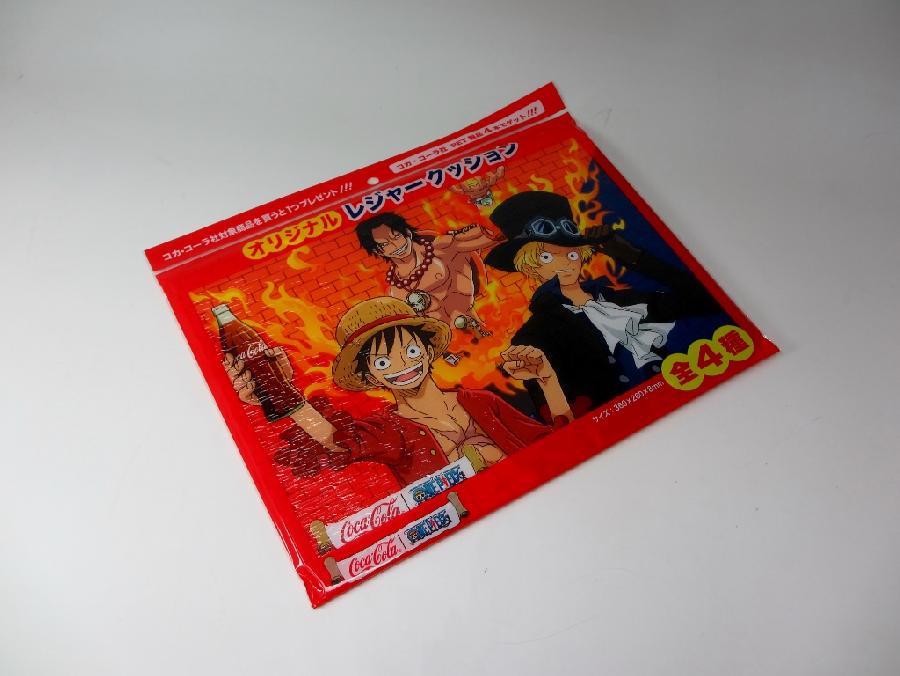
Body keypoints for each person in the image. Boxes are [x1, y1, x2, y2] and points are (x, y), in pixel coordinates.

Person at [225, 297, 571, 486]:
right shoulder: (388, 428)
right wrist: (283, 394)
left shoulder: (480, 401)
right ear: (369, 376)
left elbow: (558, 444)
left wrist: (548, 379)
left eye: (411, 350)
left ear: (429, 350)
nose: (402, 365)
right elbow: (336, 443)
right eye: (382, 361)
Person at [484, 191, 723, 422]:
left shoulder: (623, 302)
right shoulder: (536, 335)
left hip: (693, 402)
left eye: (572, 254)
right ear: (529, 266)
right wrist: (547, 381)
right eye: (547, 257)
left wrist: (632, 256)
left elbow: (708, 299)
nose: (565, 263)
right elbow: (561, 421)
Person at [355, 212, 498, 336]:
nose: (395, 245)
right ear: (378, 251)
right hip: (447, 341)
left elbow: (488, 236)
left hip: (478, 325)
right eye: (384, 244)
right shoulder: (396, 289)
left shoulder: (441, 248)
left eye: (397, 236)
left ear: (407, 233)